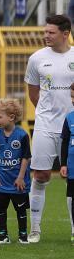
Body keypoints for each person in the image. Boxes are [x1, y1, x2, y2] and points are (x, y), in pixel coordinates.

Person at [23, 14, 74, 243]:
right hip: (45, 124)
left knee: (72, 178)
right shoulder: (36, 59)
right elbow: (33, 92)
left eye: (51, 32)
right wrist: (46, 114)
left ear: (65, 34)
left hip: (72, 128)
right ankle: (35, 229)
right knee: (41, 175)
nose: (46, 35)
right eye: (45, 31)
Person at [0, 98, 31, 244]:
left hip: (17, 182)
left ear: (11, 117)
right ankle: (3, 235)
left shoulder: (22, 135)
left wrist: (20, 177)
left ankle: (23, 235)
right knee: (1, 209)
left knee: (21, 210)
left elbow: (26, 158)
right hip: (2, 181)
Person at [59, 87, 74, 243]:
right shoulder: (69, 118)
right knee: (72, 197)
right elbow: (64, 143)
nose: (73, 100)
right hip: (72, 167)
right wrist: (63, 164)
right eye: (71, 96)